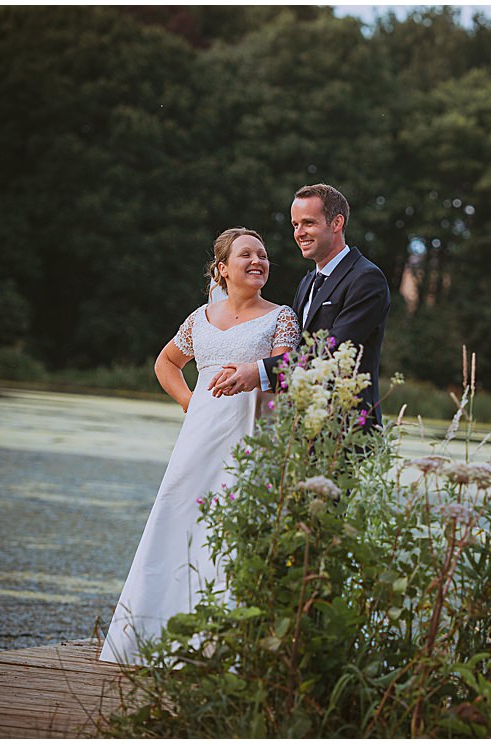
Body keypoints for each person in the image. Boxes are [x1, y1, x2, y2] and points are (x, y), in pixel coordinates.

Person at [100, 227, 300, 665]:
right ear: (222, 268)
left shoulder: (281, 316)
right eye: (246, 255)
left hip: (251, 438)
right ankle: (150, 639)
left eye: (263, 255)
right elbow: (167, 362)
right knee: (179, 520)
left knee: (232, 527)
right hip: (197, 440)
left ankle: (221, 647)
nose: (258, 262)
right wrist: (192, 403)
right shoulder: (200, 319)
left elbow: (288, 367)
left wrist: (256, 372)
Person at [208, 184, 390, 427]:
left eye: (308, 223)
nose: (299, 232)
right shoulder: (307, 282)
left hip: (345, 428)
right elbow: (295, 347)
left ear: (336, 223)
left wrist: (258, 371)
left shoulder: (366, 279)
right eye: (295, 225)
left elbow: (331, 351)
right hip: (300, 427)